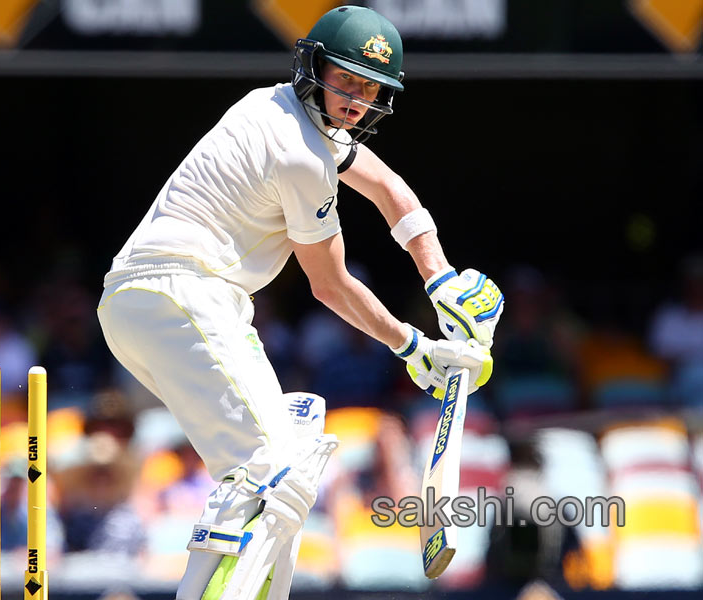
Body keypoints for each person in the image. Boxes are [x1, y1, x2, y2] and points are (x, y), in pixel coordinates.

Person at [95, 6, 503, 599]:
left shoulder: (275, 105)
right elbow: (329, 285)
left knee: (291, 461)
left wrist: (438, 278)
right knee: (272, 469)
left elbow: (390, 190)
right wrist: (413, 346)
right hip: (180, 293)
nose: (356, 100)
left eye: (371, 89)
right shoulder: (301, 155)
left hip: (162, 303)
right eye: (346, 80)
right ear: (313, 66)